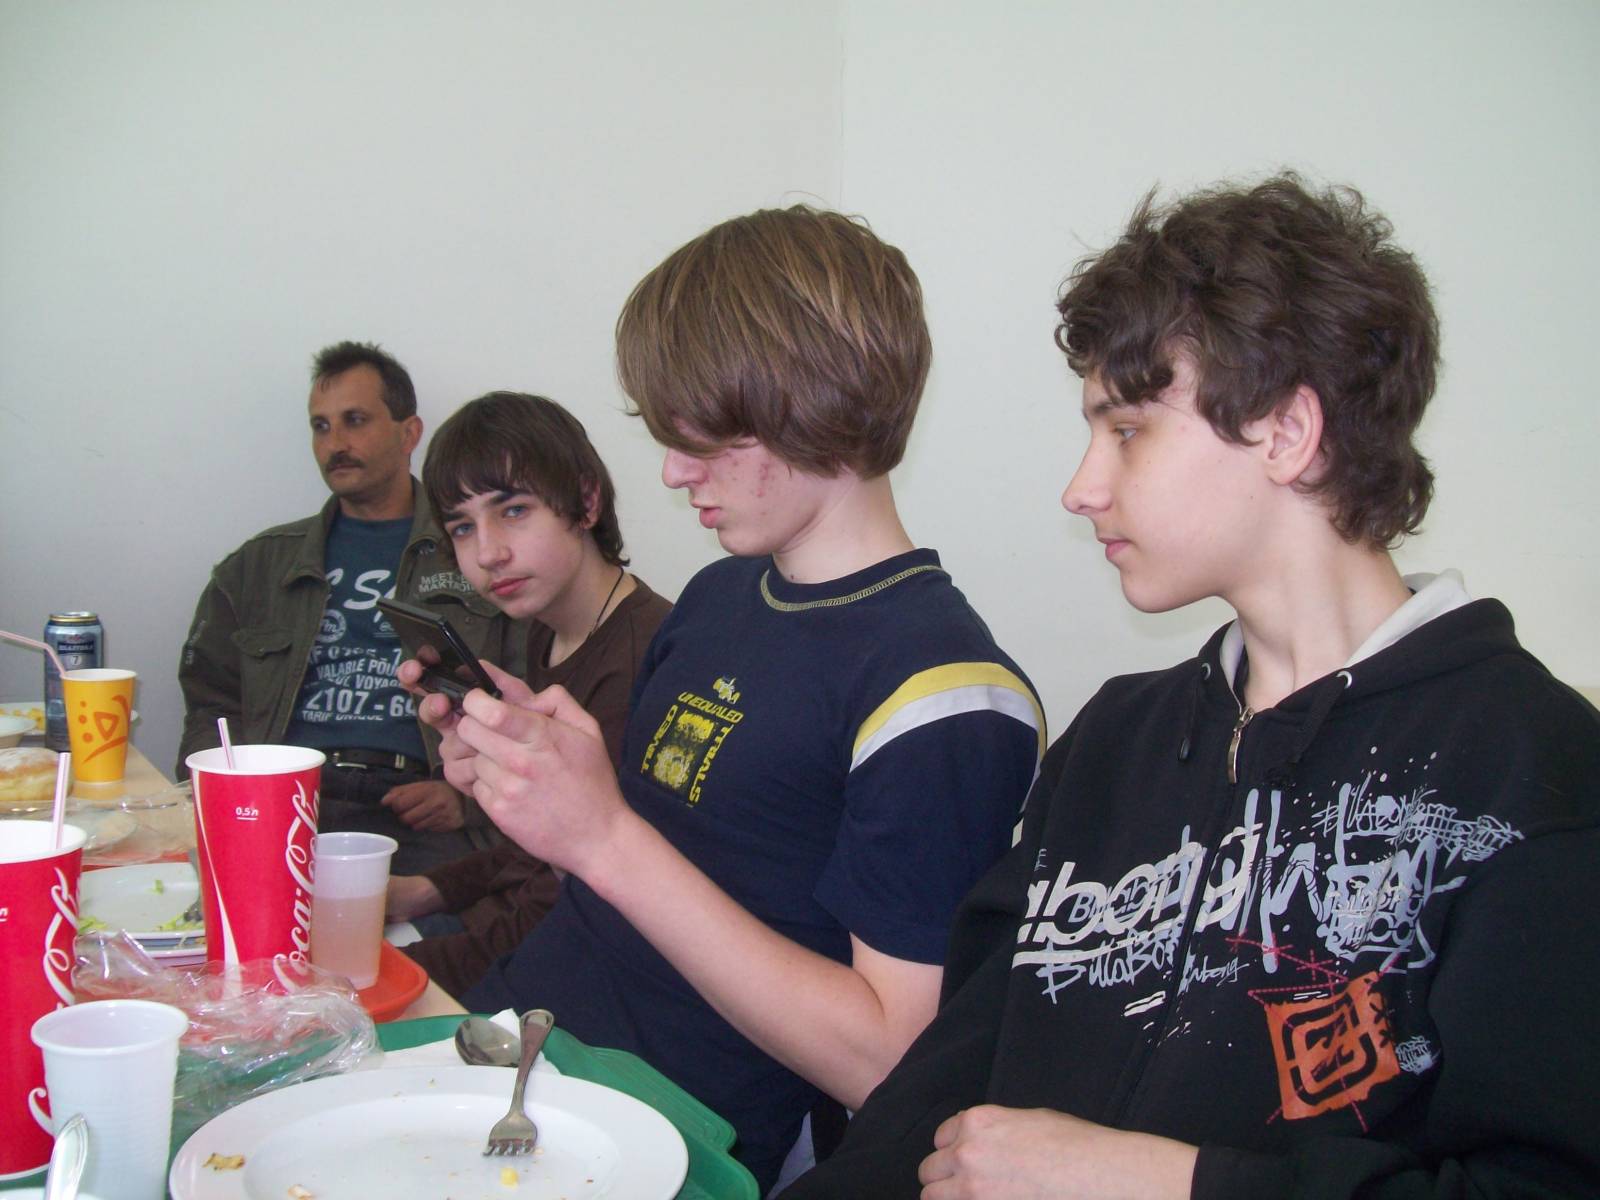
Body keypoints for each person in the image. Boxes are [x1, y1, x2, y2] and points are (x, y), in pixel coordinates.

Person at [780, 174, 1600, 1199]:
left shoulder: (1532, 770)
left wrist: (1171, 1184)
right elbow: (948, 1076)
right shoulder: (1118, 737)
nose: (1080, 488)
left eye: (1127, 429)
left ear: (1286, 432)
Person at [409, 206, 1046, 1190]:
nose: (673, 472)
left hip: (656, 1135)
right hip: (514, 1044)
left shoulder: (945, 698)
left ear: (816, 402)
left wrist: (602, 836)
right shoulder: (719, 596)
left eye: (704, 436)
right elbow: (661, 856)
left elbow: (887, 1065)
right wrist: (538, 773)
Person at [177, 341, 526, 874]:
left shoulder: (477, 554)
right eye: (321, 427)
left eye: (355, 421)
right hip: (287, 801)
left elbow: (531, 689)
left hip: (420, 809)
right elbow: (209, 703)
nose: (335, 444)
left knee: (429, 924)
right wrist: (234, 796)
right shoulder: (257, 567)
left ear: (409, 433)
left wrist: (467, 798)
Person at [384, 391, 672, 1001]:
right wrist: (427, 890)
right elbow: (536, 847)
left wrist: (387, 973)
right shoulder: (548, 630)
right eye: (463, 527)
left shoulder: (642, 659)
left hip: (558, 969)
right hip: (497, 929)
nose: (488, 553)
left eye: (513, 510)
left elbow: (571, 912)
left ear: (586, 502)